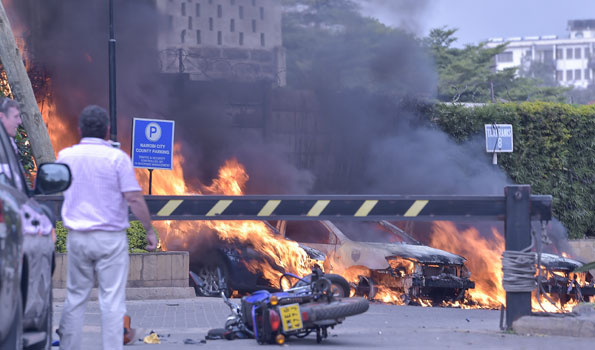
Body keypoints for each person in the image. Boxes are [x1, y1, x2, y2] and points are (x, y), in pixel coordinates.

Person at [57, 105, 157, 350]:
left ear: (80, 130)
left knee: (75, 298)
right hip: (110, 239)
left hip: (78, 237)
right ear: (107, 131)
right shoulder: (117, 159)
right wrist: (149, 230)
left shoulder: (65, 157)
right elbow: (134, 198)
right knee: (112, 301)